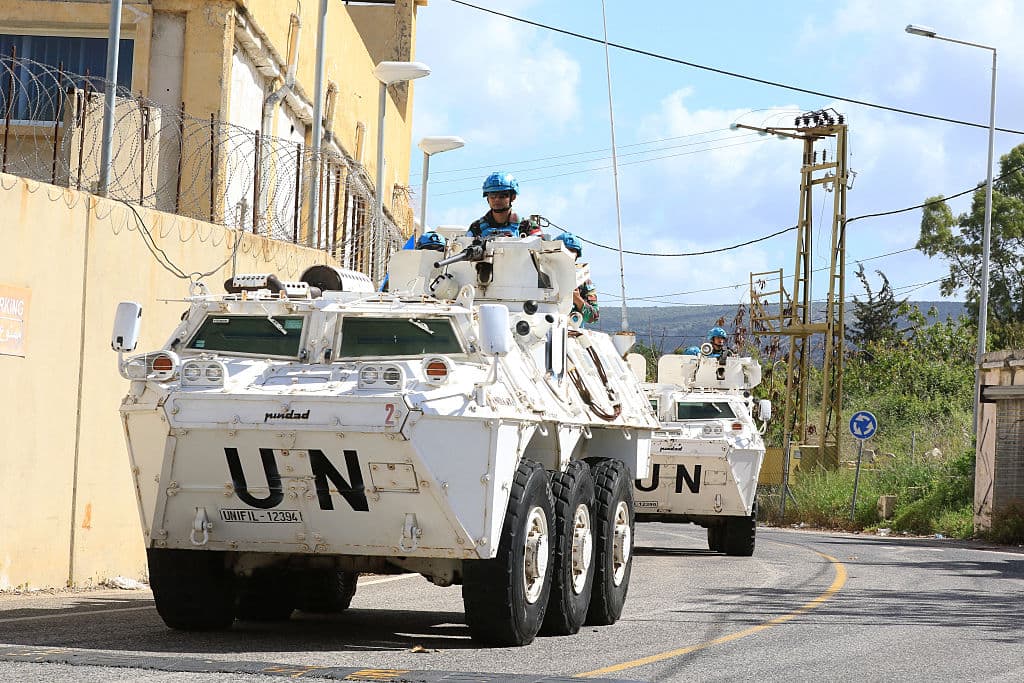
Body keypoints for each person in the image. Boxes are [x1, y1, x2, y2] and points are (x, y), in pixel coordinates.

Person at [467, 171, 543, 238]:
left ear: (513, 197)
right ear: (487, 199)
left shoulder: (527, 227)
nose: (497, 200)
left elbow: (542, 250)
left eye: (502, 196)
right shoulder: (476, 228)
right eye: (492, 196)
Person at [554, 232, 599, 324]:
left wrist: (577, 299)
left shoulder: (582, 280)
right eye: (566, 250)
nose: (569, 254)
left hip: (571, 330)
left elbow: (594, 317)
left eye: (572, 251)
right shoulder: (542, 274)